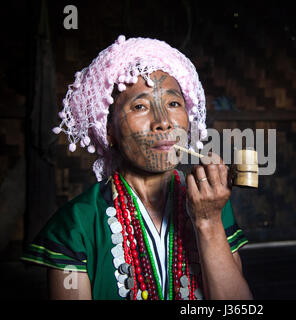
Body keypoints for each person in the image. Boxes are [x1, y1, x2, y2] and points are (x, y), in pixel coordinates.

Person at [21, 35, 252, 300]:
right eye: (140, 106)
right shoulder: (78, 223)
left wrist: (209, 223)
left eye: (173, 103)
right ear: (108, 131)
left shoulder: (209, 203)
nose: (163, 122)